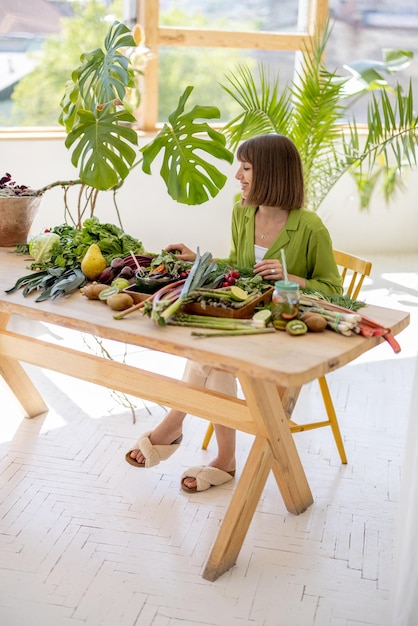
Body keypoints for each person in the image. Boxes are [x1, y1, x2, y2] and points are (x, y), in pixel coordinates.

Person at [125, 133, 343, 493]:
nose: (238, 176)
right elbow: (240, 269)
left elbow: (334, 290)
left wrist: (293, 279)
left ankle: (176, 426)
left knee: (212, 358)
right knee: (213, 357)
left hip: (284, 329)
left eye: (246, 168)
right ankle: (222, 460)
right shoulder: (243, 212)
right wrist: (198, 259)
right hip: (246, 319)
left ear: (271, 174)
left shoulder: (309, 227)